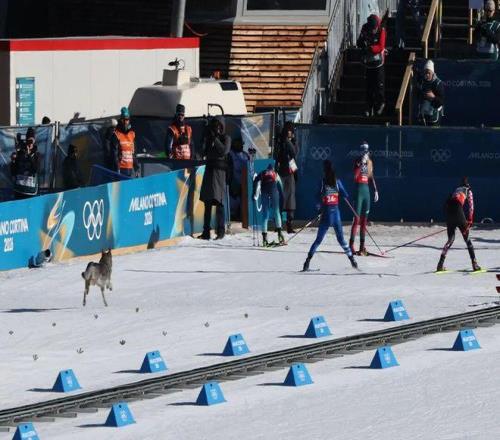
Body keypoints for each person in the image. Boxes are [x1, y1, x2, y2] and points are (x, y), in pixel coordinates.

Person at [303, 160, 358, 271]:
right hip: (336, 214)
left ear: (324, 170)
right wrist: (340, 194)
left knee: (318, 240)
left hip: (326, 214)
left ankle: (307, 262)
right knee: (341, 240)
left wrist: (319, 210)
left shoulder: (322, 182)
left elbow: (317, 198)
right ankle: (353, 260)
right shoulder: (337, 181)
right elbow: (345, 194)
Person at [437, 177, 481, 272]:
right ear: (468, 185)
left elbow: (447, 204)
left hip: (449, 211)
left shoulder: (457, 189)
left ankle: (440, 264)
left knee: (450, 240)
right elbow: (471, 206)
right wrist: (470, 220)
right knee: (467, 239)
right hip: (458, 211)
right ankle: (474, 264)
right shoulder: (468, 191)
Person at [199, 116, 231, 240]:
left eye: (219, 126)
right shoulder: (210, 138)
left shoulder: (226, 138)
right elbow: (203, 152)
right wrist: (205, 137)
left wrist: (215, 139)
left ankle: (221, 231)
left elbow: (224, 151)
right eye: (215, 126)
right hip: (209, 172)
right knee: (207, 203)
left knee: (219, 203)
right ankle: (206, 231)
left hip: (220, 174)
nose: (217, 128)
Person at [349, 142, 379, 256]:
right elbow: (355, 176)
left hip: (366, 191)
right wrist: (361, 164)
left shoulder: (370, 162)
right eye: (363, 150)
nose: (365, 152)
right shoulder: (357, 161)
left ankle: (362, 246)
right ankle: (351, 245)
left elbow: (371, 177)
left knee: (364, 221)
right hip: (359, 191)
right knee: (356, 219)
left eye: (366, 150)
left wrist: (375, 190)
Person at [357, 14, 386, 117]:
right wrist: (363, 44)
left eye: (374, 28)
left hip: (378, 63)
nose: (373, 30)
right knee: (369, 87)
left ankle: (380, 104)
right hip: (368, 63)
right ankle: (369, 107)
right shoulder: (365, 28)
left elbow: (381, 46)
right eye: (371, 28)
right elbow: (359, 42)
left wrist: (370, 48)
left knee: (379, 86)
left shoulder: (382, 30)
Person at [274, 121, 299, 233]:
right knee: (279, 198)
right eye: (288, 130)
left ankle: (289, 224)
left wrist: (287, 140)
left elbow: (294, 152)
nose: (289, 132)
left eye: (290, 130)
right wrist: (281, 139)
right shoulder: (280, 141)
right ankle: (278, 225)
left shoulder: (292, 141)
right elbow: (276, 154)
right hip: (281, 171)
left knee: (290, 199)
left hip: (290, 172)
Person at [253, 163, 285, 246]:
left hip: (264, 191)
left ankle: (264, 239)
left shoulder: (263, 172)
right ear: (273, 169)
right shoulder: (275, 173)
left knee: (265, 215)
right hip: (274, 190)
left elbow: (255, 180)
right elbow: (281, 187)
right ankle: (280, 235)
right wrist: (282, 198)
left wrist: (254, 193)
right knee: (276, 212)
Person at [10, 127, 40, 199]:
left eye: (31, 141)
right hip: (19, 189)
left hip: (31, 191)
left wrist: (29, 155)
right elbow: (13, 171)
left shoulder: (36, 155)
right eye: (28, 141)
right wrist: (13, 161)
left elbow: (35, 169)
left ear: (34, 141)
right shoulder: (20, 153)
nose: (30, 144)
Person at [415, 59, 445, 126]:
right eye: (425, 73)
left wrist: (433, 97)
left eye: (429, 73)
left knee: (434, 131)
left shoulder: (438, 84)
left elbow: (441, 101)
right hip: (423, 115)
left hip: (434, 116)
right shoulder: (422, 81)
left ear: (433, 73)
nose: (427, 75)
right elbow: (417, 95)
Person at [110, 107, 138, 177]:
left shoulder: (132, 134)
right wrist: (117, 168)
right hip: (120, 169)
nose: (125, 122)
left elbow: (133, 153)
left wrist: (136, 167)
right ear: (121, 120)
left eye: (127, 119)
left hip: (130, 169)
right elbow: (114, 154)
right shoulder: (116, 135)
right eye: (124, 119)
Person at [228, 136, 250, 220]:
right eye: (238, 144)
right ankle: (233, 215)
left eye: (241, 144)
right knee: (234, 201)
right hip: (234, 182)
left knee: (243, 201)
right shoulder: (230, 154)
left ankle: (241, 216)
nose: (241, 146)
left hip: (245, 182)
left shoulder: (246, 155)